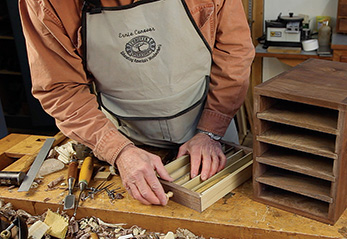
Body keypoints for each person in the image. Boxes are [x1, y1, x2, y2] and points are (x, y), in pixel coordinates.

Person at [19, 0, 255, 206]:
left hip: (208, 126)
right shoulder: (49, 3)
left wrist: (210, 131)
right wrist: (118, 151)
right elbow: (61, 88)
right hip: (122, 136)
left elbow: (234, 52)